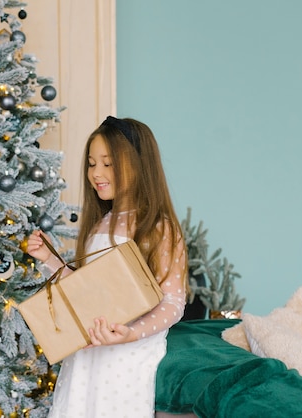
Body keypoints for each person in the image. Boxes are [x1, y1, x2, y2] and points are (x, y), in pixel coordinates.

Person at [27, 116, 188, 418]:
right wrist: (50, 260)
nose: (96, 173)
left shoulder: (158, 227)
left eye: (108, 163)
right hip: (87, 358)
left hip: (127, 361)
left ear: (139, 164)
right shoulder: (100, 223)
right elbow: (86, 293)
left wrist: (130, 332)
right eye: (91, 163)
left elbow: (173, 303)